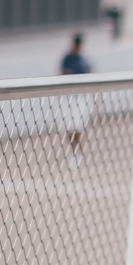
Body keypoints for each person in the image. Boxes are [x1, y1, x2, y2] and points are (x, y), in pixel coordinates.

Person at [57, 33, 94, 166]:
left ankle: (78, 152)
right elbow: (61, 74)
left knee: (79, 126)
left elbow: (90, 76)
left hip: (81, 97)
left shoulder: (83, 60)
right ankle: (72, 151)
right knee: (69, 127)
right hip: (69, 97)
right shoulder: (67, 59)